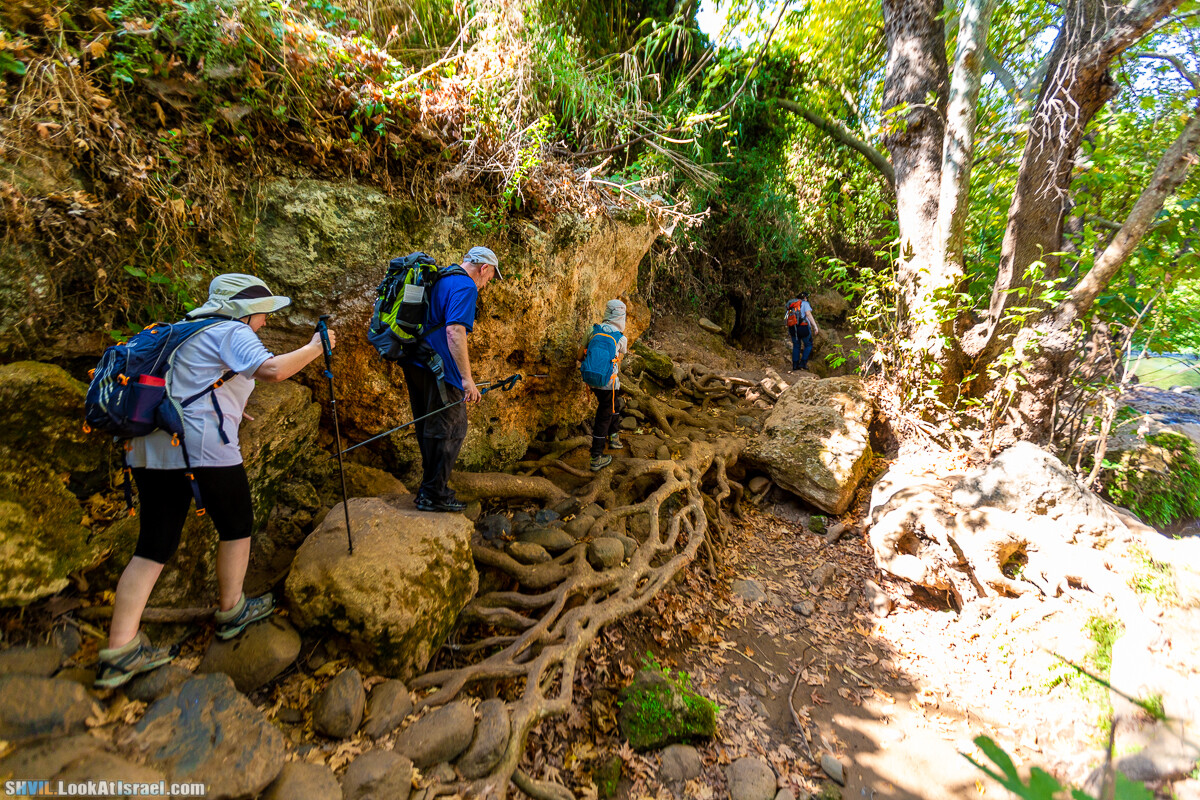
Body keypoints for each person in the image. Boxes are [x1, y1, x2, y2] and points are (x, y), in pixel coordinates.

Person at [96, 274, 336, 689]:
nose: (264, 320)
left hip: (149, 449)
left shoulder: (185, 330)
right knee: (238, 524)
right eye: (263, 312)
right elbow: (273, 370)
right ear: (246, 309)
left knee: (153, 545)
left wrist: (230, 407)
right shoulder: (231, 330)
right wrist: (317, 347)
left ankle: (120, 650)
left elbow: (184, 385)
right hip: (202, 449)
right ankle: (231, 610)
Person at [403, 245, 502, 512]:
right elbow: (455, 331)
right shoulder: (466, 286)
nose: (486, 284)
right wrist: (466, 379)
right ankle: (434, 494)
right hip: (439, 370)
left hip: (416, 362)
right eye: (490, 278)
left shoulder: (441, 278)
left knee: (430, 427)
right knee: (452, 429)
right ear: (484, 268)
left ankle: (430, 489)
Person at [578, 299, 629, 471]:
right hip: (610, 384)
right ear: (622, 316)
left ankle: (614, 437)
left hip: (591, 380)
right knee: (604, 415)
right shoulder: (621, 338)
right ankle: (596, 458)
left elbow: (579, 356)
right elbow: (620, 356)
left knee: (613, 405)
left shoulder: (593, 330)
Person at [785, 291, 820, 372]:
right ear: (805, 298)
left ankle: (795, 365)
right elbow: (808, 314)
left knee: (796, 345)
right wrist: (815, 327)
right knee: (808, 344)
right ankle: (803, 363)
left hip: (793, 327)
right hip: (803, 327)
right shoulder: (805, 303)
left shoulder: (792, 304)